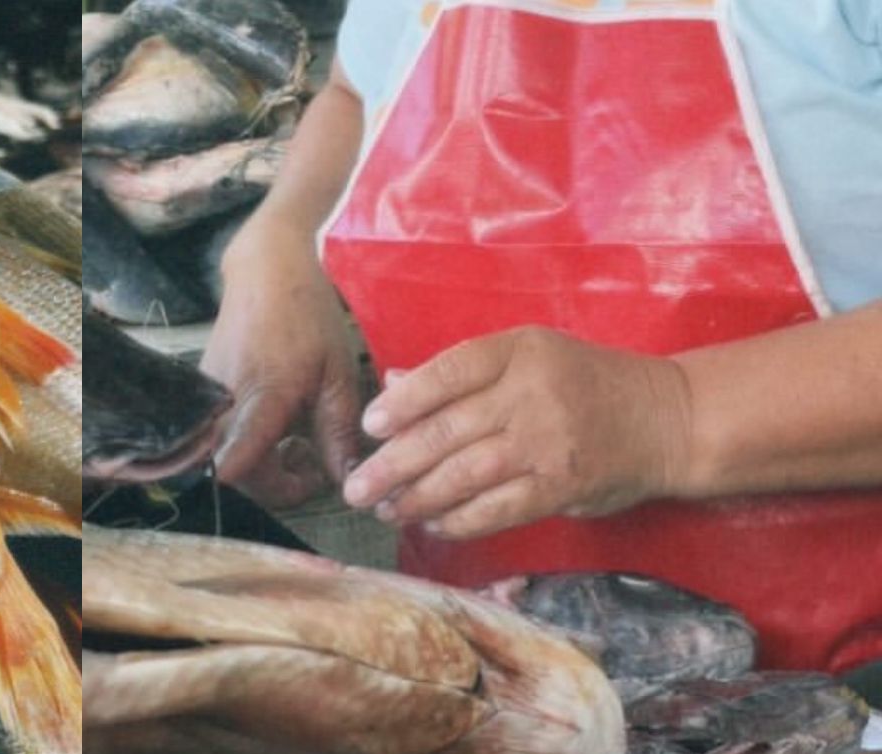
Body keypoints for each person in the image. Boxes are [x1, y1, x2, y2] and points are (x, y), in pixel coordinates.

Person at [205, 0, 882, 673]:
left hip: (844, 697)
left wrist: (669, 414)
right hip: (491, 663)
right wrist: (281, 240)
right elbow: (353, 91)